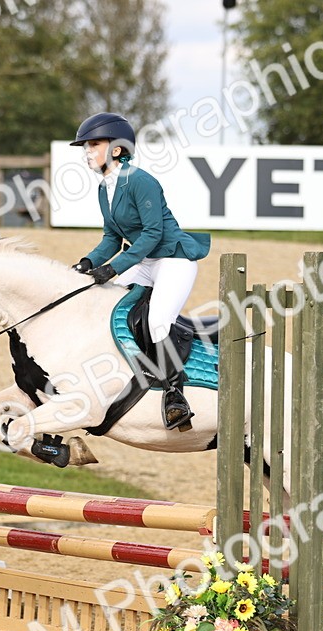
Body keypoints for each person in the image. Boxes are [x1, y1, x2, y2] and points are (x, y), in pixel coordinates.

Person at [71, 112, 210, 431]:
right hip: (147, 262)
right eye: (86, 146)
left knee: (158, 320)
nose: (87, 151)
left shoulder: (140, 181)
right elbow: (111, 238)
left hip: (174, 258)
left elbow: (152, 234)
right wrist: (89, 263)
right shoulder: (104, 188)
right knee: (105, 301)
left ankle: (176, 396)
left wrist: (113, 268)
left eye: (94, 144)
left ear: (117, 149)